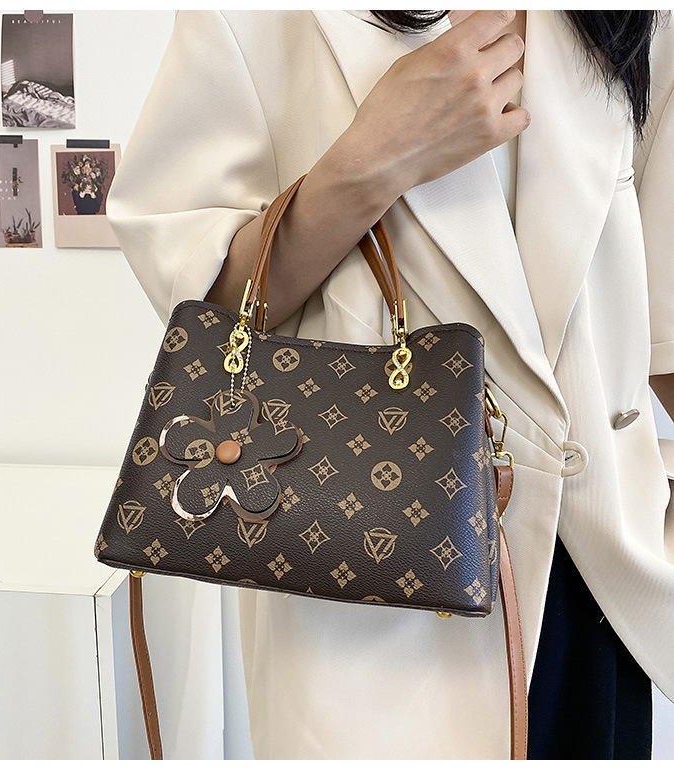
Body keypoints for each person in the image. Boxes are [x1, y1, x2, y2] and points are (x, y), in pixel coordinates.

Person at [105, 10, 674, 759]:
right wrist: (373, 158)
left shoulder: (636, 19)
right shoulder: (250, 19)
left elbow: (663, 315)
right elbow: (208, 318)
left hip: (598, 574)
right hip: (375, 577)